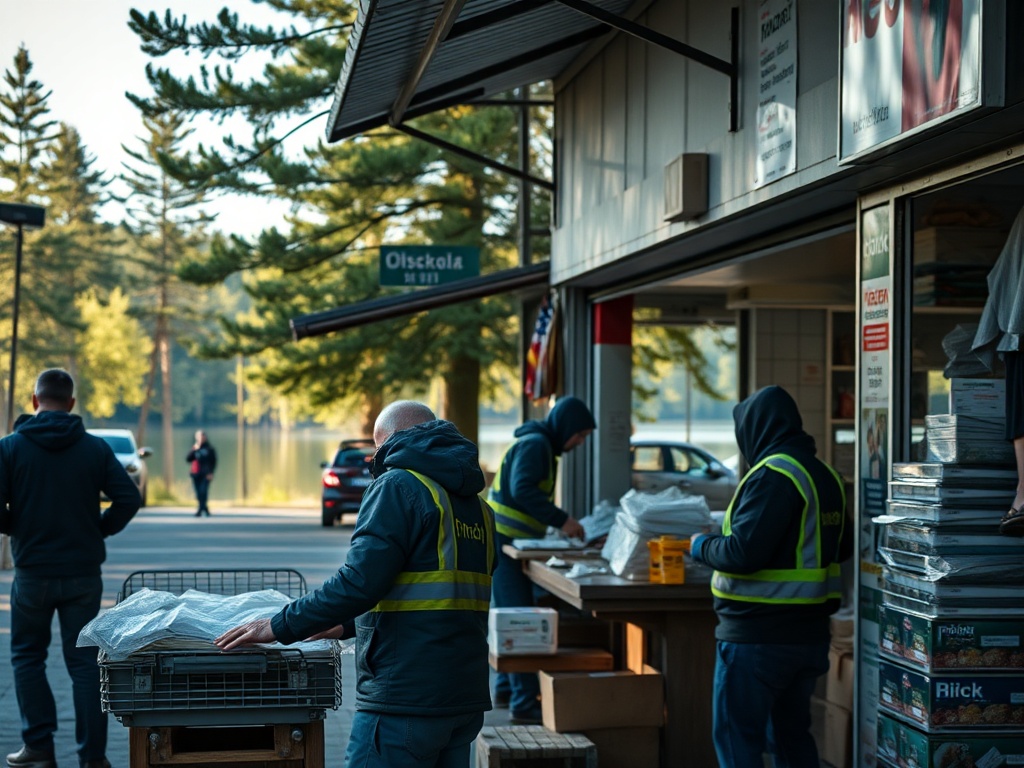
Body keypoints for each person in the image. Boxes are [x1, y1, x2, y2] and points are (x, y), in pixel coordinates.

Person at [215, 401, 496, 768]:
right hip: (463, 702)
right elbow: (434, 590)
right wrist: (347, 624)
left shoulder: (399, 486)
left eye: (378, 448)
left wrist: (277, 625)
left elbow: (358, 581)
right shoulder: (479, 509)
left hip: (404, 699)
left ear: (391, 441)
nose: (377, 459)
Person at [689, 385, 852, 768]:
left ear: (754, 429)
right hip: (809, 638)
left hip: (757, 639)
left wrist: (699, 544)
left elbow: (741, 552)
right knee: (792, 739)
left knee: (737, 740)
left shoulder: (773, 474)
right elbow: (840, 549)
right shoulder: (826, 476)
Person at [0, 369, 141, 768]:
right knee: (83, 663)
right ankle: (93, 758)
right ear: (72, 404)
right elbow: (127, 499)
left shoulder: (9, 449)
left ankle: (39, 748)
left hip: (32, 573)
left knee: (27, 656)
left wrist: (19, 529)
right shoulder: (94, 449)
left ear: (34, 401)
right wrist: (98, 530)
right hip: (82, 572)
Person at [487, 395, 595, 724]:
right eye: (581, 435)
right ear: (567, 428)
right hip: (505, 543)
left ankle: (507, 687)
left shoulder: (541, 445)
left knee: (510, 612)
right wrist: (563, 521)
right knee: (519, 619)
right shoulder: (537, 446)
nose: (580, 442)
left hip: (512, 542)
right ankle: (524, 703)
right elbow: (523, 490)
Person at [971, 204, 1024, 535]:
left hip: (1019, 337)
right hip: (1019, 338)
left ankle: (1022, 495)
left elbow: (1003, 278)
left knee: (1021, 416)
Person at [185, 430, 217, 517]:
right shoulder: (195, 448)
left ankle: (200, 509)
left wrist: (211, 473)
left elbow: (213, 462)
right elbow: (188, 459)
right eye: (199, 436)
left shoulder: (209, 449)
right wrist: (193, 450)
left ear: (205, 437)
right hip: (196, 474)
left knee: (203, 491)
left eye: (202, 436)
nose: (201, 438)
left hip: (206, 474)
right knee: (198, 493)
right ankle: (204, 508)